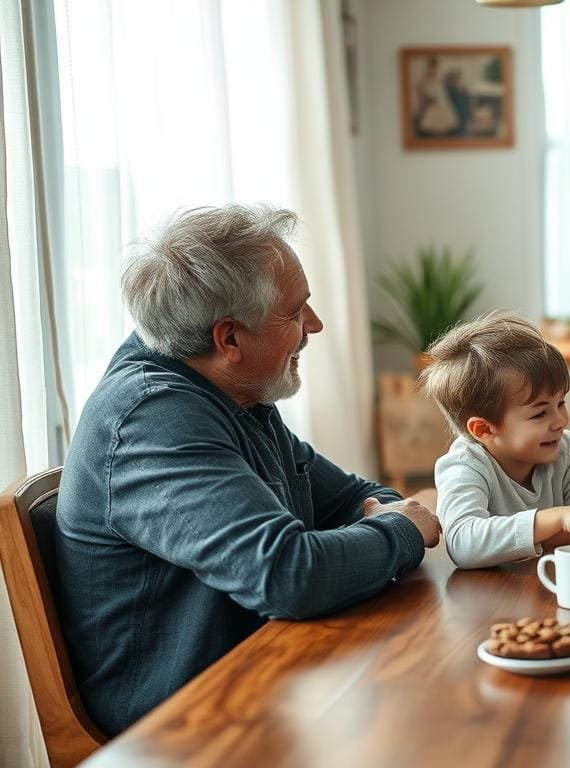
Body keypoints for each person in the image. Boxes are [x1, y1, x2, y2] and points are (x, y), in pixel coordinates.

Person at [55, 205, 442, 736]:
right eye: (296, 311)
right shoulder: (155, 419)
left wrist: (378, 521)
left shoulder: (232, 389)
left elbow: (351, 497)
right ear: (229, 339)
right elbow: (288, 574)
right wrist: (401, 528)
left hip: (270, 676)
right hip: (184, 729)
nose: (315, 325)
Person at [423, 312, 570, 569]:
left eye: (561, 403)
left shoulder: (563, 451)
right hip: (490, 603)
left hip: (550, 589)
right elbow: (463, 544)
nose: (561, 421)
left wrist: (533, 538)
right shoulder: (464, 465)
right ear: (483, 429)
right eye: (540, 413)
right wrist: (559, 520)